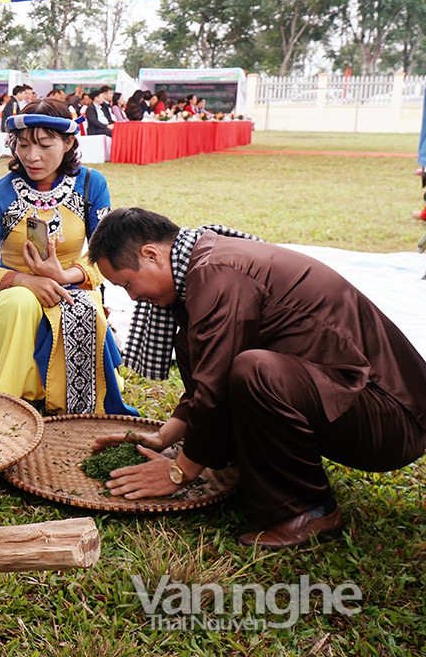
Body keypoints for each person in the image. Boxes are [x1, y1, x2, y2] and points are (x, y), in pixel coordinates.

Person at [86, 208, 426, 548]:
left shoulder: (216, 272)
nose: (131, 297)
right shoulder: (203, 264)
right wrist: (162, 438)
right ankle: (248, 462)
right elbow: (209, 375)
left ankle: (309, 511)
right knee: (199, 345)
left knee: (255, 371)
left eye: (126, 284)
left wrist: (180, 471)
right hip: (354, 399)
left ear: (151, 254)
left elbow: (217, 384)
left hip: (394, 418)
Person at [0, 99, 136, 416]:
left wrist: (64, 276)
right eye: (23, 144)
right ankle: (5, 397)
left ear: (69, 142)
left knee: (78, 306)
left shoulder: (90, 185)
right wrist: (26, 281)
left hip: (72, 287)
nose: (32, 156)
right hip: (13, 294)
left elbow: (106, 252)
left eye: (45, 145)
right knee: (21, 301)